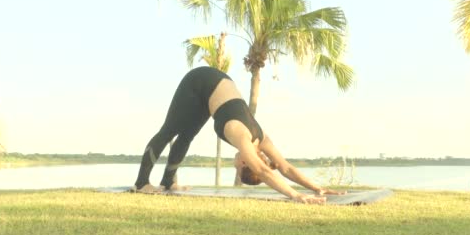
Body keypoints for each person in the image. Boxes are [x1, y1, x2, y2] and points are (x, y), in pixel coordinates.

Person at [133, 66, 345, 204]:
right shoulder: (242, 136)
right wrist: (297, 195)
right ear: (246, 163)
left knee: (186, 136)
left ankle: (168, 182)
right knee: (169, 130)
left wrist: (318, 188)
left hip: (211, 93)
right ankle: (142, 183)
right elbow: (265, 170)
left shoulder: (261, 138)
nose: (234, 163)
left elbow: (285, 167)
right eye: (237, 166)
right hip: (199, 80)